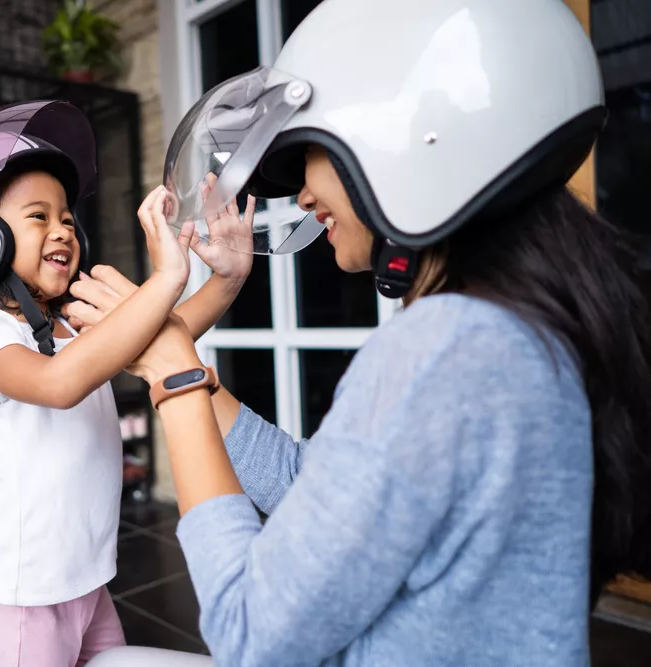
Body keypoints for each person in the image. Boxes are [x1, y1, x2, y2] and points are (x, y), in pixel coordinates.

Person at [73, 1, 651, 666]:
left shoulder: (447, 347)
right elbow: (311, 483)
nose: (302, 197)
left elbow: (248, 631)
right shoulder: (517, 329)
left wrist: (172, 374)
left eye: (310, 154)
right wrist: (185, 363)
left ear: (408, 136)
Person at [0, 101, 259, 667]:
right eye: (38, 216)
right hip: (24, 593)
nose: (63, 230)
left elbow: (161, 337)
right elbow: (58, 383)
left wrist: (226, 279)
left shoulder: (67, 322)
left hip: (85, 577)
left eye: (67, 218)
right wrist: (166, 277)